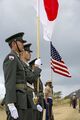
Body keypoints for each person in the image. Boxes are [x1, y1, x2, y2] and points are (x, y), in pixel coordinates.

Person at [3, 32, 29, 120]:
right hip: (16, 100)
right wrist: (10, 103)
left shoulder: (17, 59)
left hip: (20, 100)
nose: (23, 44)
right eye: (21, 42)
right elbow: (9, 81)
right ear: (14, 43)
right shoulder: (11, 57)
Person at [20, 43, 43, 120]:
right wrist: (36, 67)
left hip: (30, 98)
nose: (30, 54)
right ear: (22, 52)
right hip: (24, 99)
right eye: (28, 52)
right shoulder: (21, 65)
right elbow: (31, 78)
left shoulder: (26, 66)